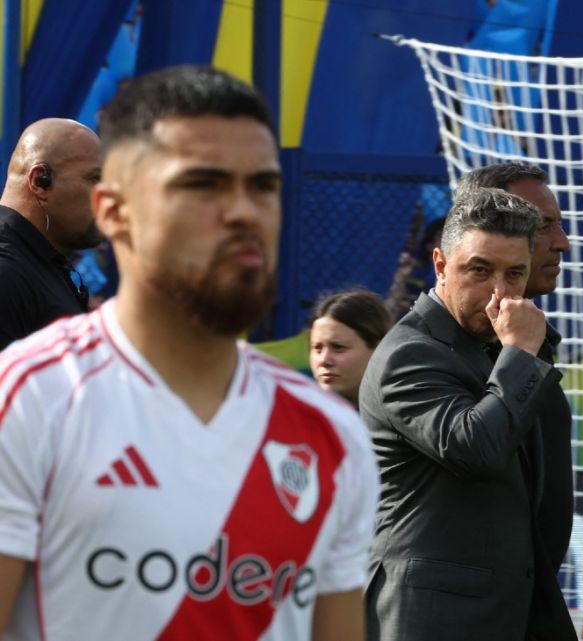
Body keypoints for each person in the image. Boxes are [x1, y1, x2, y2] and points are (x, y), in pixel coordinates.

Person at [0, 66, 377, 641]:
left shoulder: (329, 435)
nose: (244, 212)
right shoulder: (29, 397)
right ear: (114, 210)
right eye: (202, 184)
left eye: (263, 186)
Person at [360, 187, 577, 641]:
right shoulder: (410, 353)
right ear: (440, 265)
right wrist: (520, 351)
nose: (498, 293)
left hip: (513, 613)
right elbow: (476, 448)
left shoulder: (494, 345)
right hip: (430, 620)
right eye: (479, 270)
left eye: (514, 274)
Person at [452, 162, 575, 605]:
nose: (562, 243)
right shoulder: (432, 354)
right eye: (543, 226)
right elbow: (478, 448)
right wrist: (518, 352)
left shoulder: (526, 341)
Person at [0, 118, 103, 350]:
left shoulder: (37, 261)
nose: (106, 197)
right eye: (95, 179)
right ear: (40, 182)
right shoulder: (7, 272)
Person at [309, 287, 393, 408]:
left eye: (338, 347)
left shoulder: (407, 415)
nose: (324, 360)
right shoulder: (296, 417)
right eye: (317, 349)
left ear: (378, 350)